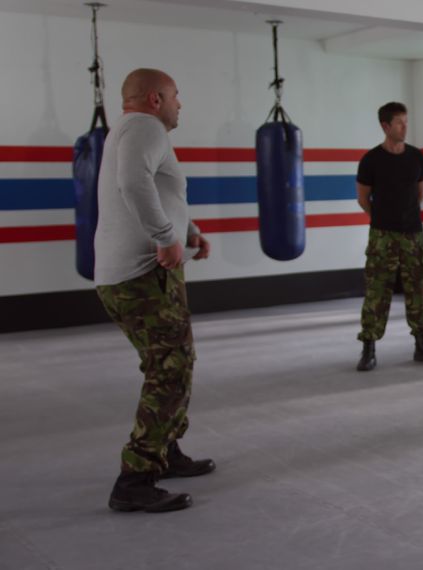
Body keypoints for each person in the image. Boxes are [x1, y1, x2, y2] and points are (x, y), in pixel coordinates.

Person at [95, 68, 215, 513]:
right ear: (154, 98)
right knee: (171, 368)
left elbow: (161, 190)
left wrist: (189, 231)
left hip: (135, 273)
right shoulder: (145, 127)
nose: (180, 103)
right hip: (143, 275)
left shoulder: (127, 130)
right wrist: (167, 237)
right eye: (175, 95)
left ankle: (166, 451)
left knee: (171, 363)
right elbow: (134, 185)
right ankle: (136, 478)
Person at [355, 102, 423, 371]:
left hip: (413, 235)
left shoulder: (416, 157)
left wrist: (405, 218)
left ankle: (422, 344)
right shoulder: (371, 160)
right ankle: (368, 347)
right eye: (399, 123)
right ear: (385, 126)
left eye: (406, 121)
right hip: (382, 235)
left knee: (416, 289)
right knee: (376, 291)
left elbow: (419, 194)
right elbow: (362, 198)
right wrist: (382, 219)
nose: (405, 127)